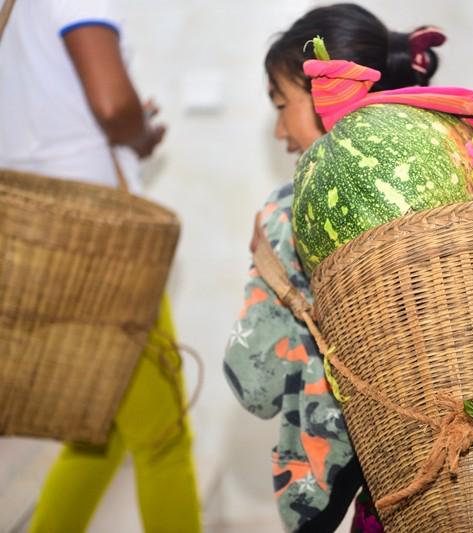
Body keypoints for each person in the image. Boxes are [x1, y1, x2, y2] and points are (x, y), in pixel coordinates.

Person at [223, 4, 444, 531]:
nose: (280, 130)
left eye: (282, 104)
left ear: (326, 94)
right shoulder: (452, 169)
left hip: (387, 494)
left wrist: (267, 275)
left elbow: (255, 385)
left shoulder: (290, 211)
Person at [0, 1, 201, 531]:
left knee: (98, 433)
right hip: (100, 243)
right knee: (165, 438)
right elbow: (112, 106)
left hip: (33, 236)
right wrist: (141, 136)